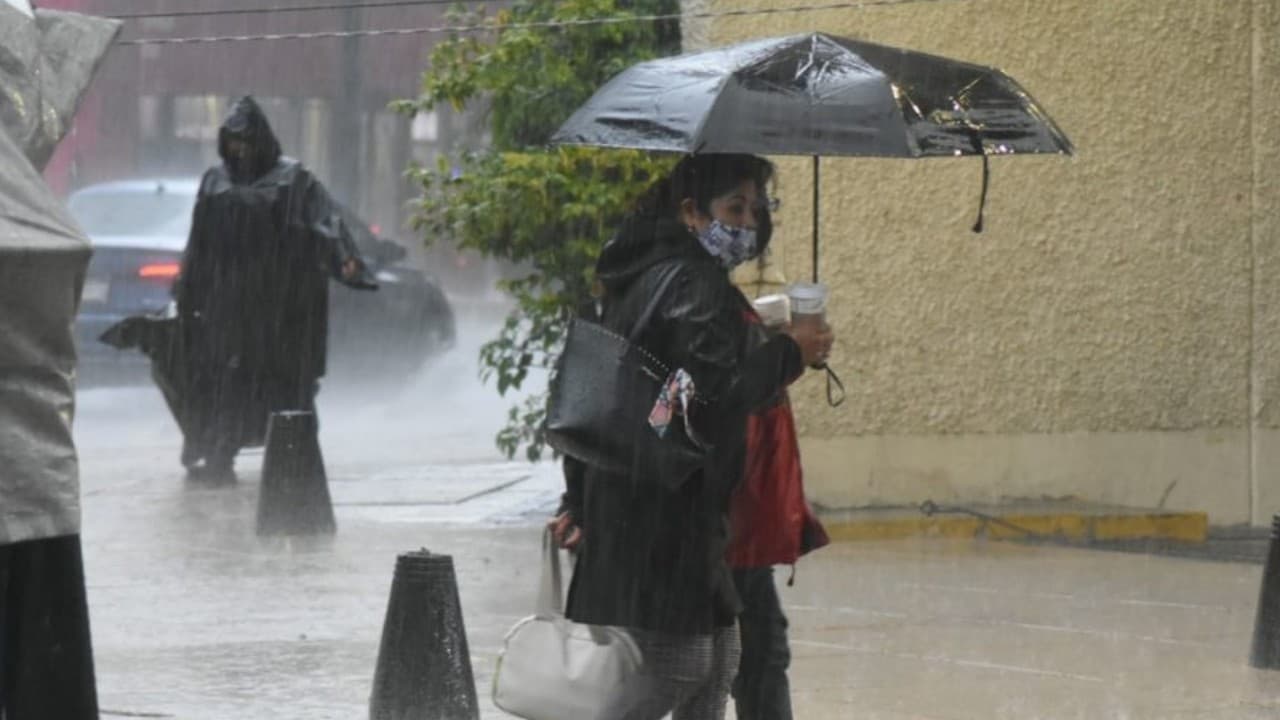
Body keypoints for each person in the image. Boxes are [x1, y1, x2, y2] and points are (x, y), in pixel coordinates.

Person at [551, 153, 833, 720]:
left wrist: (578, 497)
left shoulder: (647, 274)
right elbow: (715, 393)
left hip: (659, 506)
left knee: (721, 658)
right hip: (664, 511)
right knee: (682, 668)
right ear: (691, 213)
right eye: (734, 207)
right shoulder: (690, 280)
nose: (749, 223)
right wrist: (788, 353)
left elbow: (639, 389)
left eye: (757, 208)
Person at [173, 96, 375, 480]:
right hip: (228, 304)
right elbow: (199, 240)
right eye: (233, 142)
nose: (240, 150)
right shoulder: (216, 181)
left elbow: (327, 222)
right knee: (227, 382)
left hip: (282, 306)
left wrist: (344, 256)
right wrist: (187, 286)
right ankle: (219, 454)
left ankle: (296, 461)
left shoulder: (294, 179)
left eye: (246, 141)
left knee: (287, 385)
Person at [726, 308, 832, 720]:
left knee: (757, 653)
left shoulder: (709, 293)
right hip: (724, 520)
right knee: (741, 656)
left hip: (739, 523)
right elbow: (729, 393)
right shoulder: (695, 294)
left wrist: (793, 350)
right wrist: (788, 350)